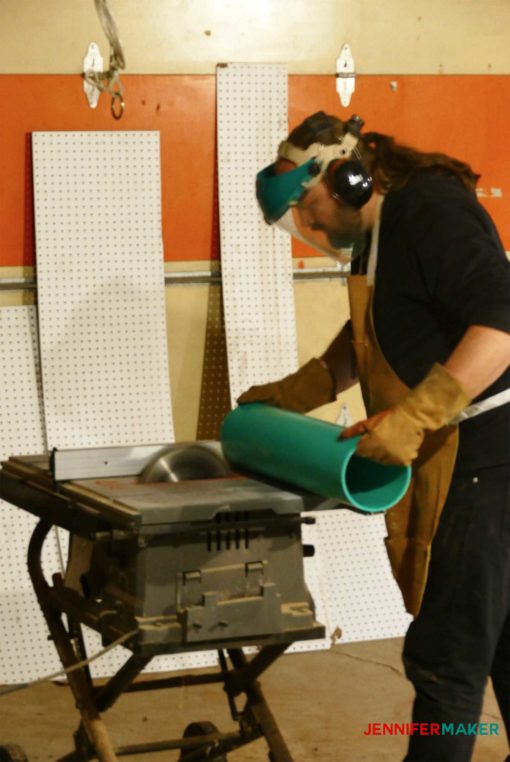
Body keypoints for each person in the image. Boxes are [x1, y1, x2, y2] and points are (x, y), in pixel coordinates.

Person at [238, 111, 510, 761]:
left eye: (307, 208)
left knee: (444, 657)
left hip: (489, 453)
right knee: (496, 638)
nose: (311, 229)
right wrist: (306, 386)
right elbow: (379, 329)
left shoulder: (430, 211)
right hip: (464, 451)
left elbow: (501, 321)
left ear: (348, 175)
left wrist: (416, 416)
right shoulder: (377, 235)